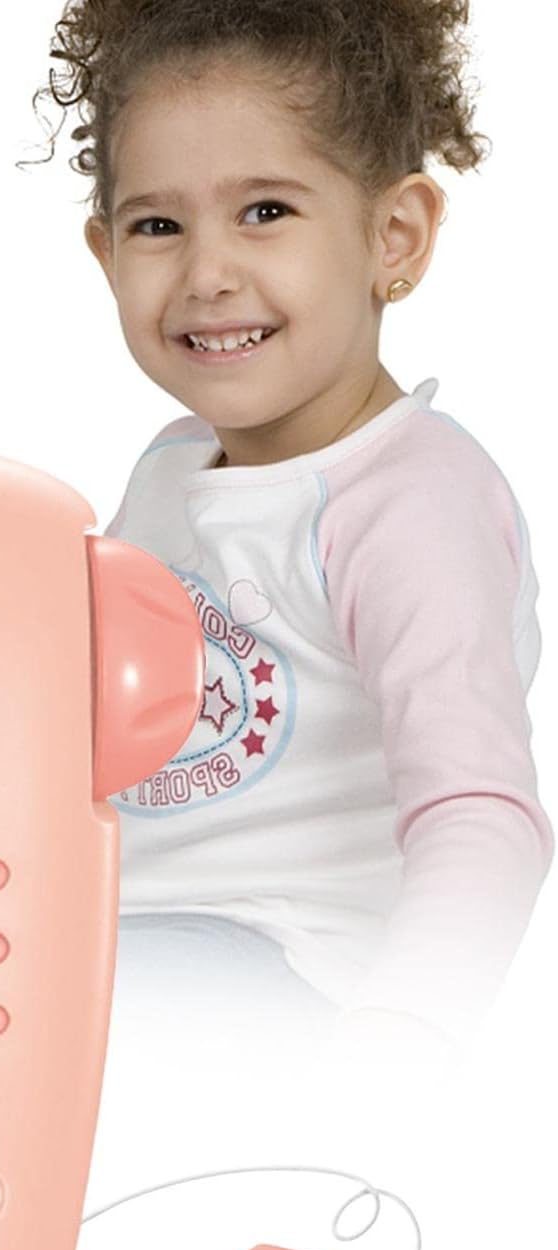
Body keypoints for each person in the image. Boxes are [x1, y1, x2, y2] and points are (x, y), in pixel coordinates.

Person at [38, 0, 552, 1038]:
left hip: (281, 973)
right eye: (157, 226)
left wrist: (402, 1034)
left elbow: (481, 815)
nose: (207, 274)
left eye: (265, 211)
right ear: (105, 255)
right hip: (114, 938)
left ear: (393, 235)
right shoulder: (171, 464)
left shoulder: (410, 504)